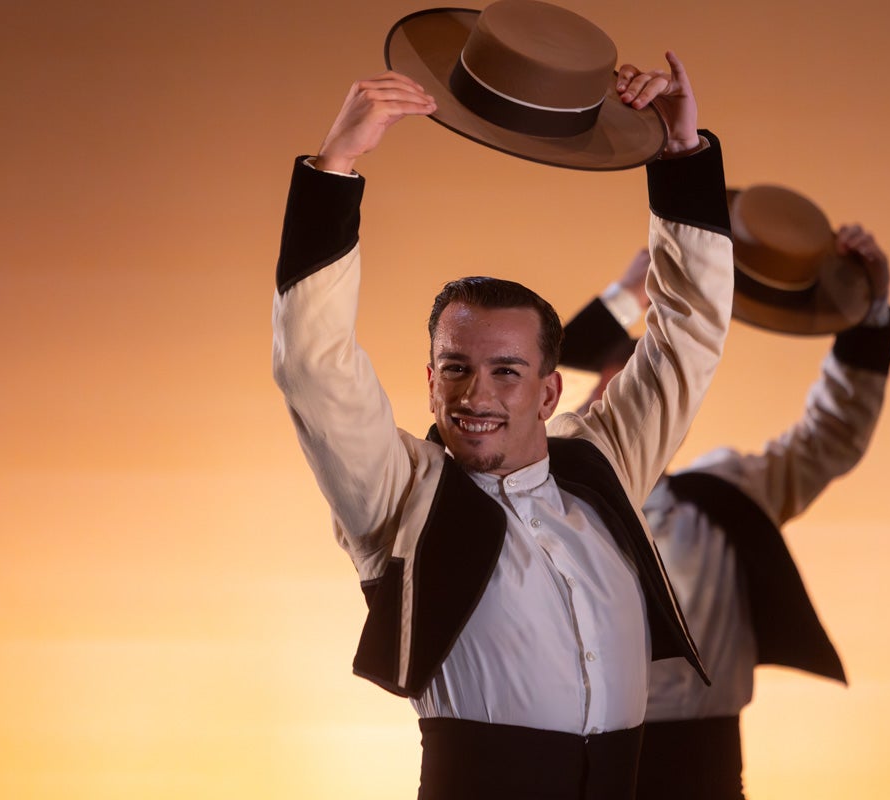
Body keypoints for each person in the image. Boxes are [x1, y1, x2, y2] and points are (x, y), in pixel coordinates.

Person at [272, 3, 734, 797]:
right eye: (453, 368)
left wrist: (682, 156)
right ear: (429, 377)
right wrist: (333, 172)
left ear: (552, 389)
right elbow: (315, 369)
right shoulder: (400, 495)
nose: (473, 394)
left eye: (506, 372)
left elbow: (689, 334)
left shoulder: (603, 464)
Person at [560, 213, 890, 799]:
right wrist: (626, 295)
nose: (611, 410)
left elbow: (830, 437)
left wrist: (868, 312)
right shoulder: (536, 499)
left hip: (705, 768)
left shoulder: (723, 493)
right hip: (573, 764)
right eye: (599, 394)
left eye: (629, 397)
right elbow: (530, 390)